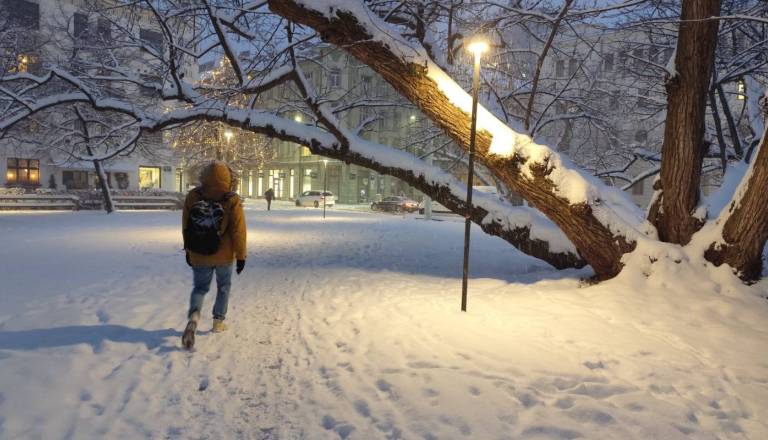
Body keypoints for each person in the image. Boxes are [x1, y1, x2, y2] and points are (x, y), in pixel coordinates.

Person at [181, 161, 246, 345]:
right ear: (227, 177)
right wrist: (241, 255)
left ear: (204, 176)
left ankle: (194, 317)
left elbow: (186, 225)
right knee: (223, 286)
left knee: (200, 288)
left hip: (199, 253)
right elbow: (238, 231)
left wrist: (188, 249)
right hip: (224, 255)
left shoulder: (193, 196)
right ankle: (218, 321)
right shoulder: (231, 198)